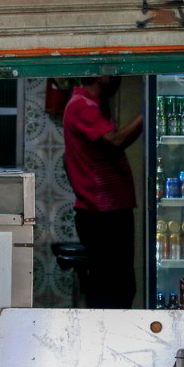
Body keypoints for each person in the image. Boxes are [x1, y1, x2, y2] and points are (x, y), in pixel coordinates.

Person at [63, 76, 143, 309]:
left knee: (119, 287)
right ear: (102, 76)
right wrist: (147, 113)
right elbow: (114, 141)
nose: (120, 78)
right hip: (102, 215)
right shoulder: (83, 106)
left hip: (108, 212)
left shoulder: (92, 105)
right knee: (112, 290)